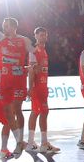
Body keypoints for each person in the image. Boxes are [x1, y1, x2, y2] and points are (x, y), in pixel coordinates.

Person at [0, 12, 34, 157]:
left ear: (13, 27)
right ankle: (9, 146)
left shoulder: (22, 41)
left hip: (2, 90)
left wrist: (29, 66)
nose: (4, 29)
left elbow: (33, 53)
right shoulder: (2, 42)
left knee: (5, 117)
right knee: (9, 117)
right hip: (5, 88)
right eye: (3, 26)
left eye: (6, 26)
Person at [25, 26, 59, 154]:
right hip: (37, 87)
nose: (43, 37)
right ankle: (41, 143)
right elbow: (31, 71)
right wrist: (30, 88)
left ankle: (32, 142)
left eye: (45, 35)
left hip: (42, 86)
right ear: (35, 36)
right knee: (41, 112)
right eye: (40, 35)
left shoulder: (44, 51)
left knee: (38, 112)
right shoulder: (34, 51)